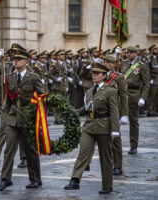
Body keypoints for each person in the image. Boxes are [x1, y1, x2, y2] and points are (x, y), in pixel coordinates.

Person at [64, 62, 119, 194]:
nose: (94, 76)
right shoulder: (89, 91)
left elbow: (114, 111)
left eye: (97, 73)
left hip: (104, 126)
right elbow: (86, 108)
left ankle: (107, 185)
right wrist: (72, 113)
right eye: (93, 73)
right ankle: (75, 180)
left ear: (104, 76)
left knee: (106, 157)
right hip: (89, 126)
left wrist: (115, 129)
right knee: (83, 152)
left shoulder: (110, 91)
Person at [0, 47, 44, 191]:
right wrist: (4, 112)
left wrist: (37, 116)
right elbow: (8, 98)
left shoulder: (33, 77)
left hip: (28, 116)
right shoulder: (10, 76)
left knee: (31, 150)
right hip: (12, 116)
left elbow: (42, 96)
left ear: (26, 61)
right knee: (9, 149)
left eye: (18, 59)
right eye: (14, 59)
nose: (15, 61)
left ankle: (35, 179)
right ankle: (5, 179)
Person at [120, 46, 149, 154]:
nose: (129, 54)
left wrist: (143, 97)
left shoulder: (141, 66)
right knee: (116, 119)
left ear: (136, 53)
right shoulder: (123, 63)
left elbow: (146, 84)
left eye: (131, 52)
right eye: (128, 52)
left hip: (134, 95)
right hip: (122, 94)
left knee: (133, 121)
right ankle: (113, 142)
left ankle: (133, 145)